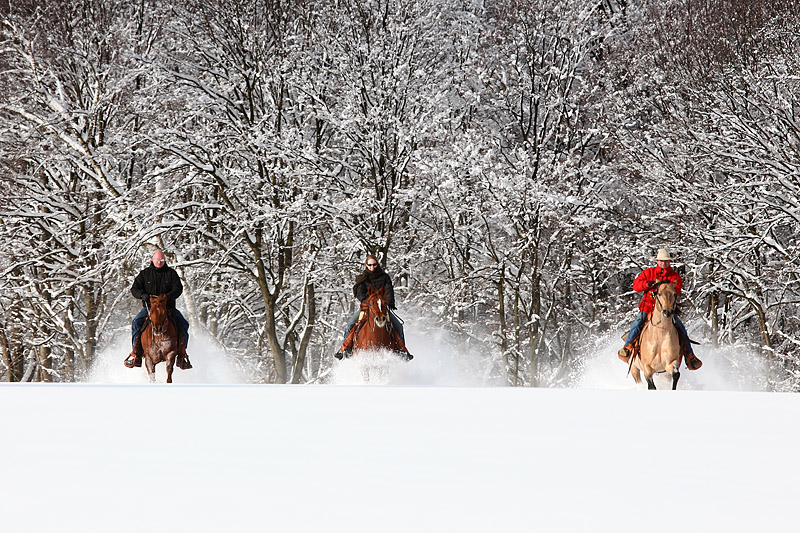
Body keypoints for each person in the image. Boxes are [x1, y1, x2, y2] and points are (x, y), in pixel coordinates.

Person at [618, 248, 702, 370]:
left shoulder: (674, 276)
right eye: (662, 261)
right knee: (638, 322)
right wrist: (648, 284)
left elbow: (677, 289)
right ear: (657, 261)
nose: (664, 263)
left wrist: (666, 287)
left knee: (681, 328)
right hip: (648, 307)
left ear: (669, 262)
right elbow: (636, 285)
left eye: (666, 261)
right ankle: (628, 347)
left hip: (667, 308)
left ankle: (690, 355)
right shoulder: (648, 273)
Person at [124, 250, 192, 370]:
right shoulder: (145, 274)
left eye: (161, 260)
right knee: (136, 323)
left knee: (184, 324)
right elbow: (134, 288)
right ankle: (136, 353)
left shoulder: (171, 273)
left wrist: (168, 296)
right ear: (152, 260)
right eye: (157, 260)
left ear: (164, 261)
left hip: (168, 307)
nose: (159, 263)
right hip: (150, 308)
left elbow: (178, 288)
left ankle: (182, 355)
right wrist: (142, 295)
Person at [334, 255, 410, 359]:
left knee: (398, 326)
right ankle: (345, 349)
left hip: (382, 307)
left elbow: (389, 291)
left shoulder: (384, 277)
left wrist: (389, 302)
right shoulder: (362, 278)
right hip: (367, 307)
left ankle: (402, 351)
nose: (372, 267)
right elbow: (359, 291)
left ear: (377, 264)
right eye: (370, 265)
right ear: (366, 265)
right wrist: (365, 301)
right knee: (350, 324)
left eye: (374, 264)